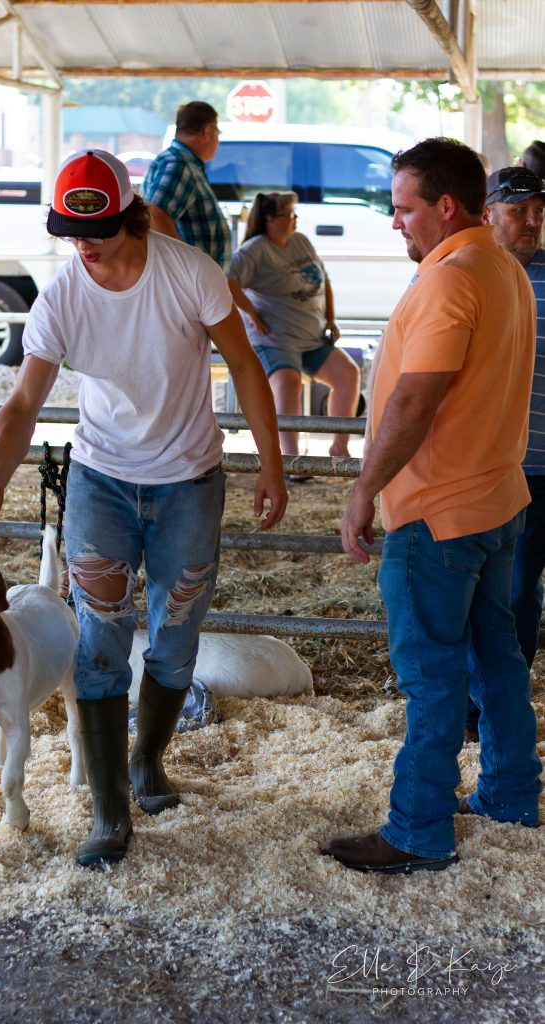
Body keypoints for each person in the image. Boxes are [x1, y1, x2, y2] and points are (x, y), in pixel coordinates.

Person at [0, 150, 287, 868]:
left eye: (97, 229)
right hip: (101, 478)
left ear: (129, 217)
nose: (83, 244)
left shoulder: (189, 273)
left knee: (175, 633)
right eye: (69, 231)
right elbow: (24, 401)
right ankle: (109, 808)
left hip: (189, 479)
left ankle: (147, 760)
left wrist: (271, 463)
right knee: (101, 636)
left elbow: (243, 363)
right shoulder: (61, 298)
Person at [322, 137, 542, 875]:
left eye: (403, 208)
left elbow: (416, 399)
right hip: (496, 497)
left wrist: (363, 489)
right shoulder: (502, 266)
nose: (395, 222)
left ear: (445, 206)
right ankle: (511, 794)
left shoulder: (451, 279)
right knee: (496, 657)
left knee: (432, 673)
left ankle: (417, 828)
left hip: (437, 509)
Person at [463, 166, 545, 738]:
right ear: (488, 212)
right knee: (493, 591)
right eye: (520, 210)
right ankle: (487, 706)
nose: (533, 220)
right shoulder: (464, 273)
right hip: (484, 464)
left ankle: (496, 708)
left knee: (517, 588)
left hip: (536, 462)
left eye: (539, 211)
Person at [227, 191, 360, 466]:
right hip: (275, 338)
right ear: (270, 220)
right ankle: (291, 460)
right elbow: (228, 282)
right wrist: (251, 313)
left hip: (312, 336)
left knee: (348, 374)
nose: (294, 219)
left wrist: (331, 319)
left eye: (293, 213)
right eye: (288, 214)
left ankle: (339, 448)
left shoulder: (300, 241)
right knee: (288, 383)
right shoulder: (254, 250)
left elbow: (324, 280)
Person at [141, 100, 232, 271]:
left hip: (194, 279)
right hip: (187, 280)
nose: (218, 141)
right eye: (218, 133)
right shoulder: (178, 163)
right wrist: (187, 264)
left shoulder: (182, 162)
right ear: (208, 132)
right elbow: (155, 215)